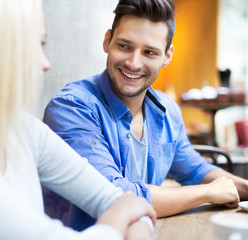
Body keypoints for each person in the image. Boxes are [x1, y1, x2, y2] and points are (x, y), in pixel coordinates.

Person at [43, 0, 248, 229]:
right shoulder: (72, 107)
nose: (133, 62)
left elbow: (194, 170)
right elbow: (113, 195)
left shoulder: (166, 110)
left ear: (167, 56)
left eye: (149, 52)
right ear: (107, 41)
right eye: (124, 46)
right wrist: (207, 193)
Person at [0, 0, 156, 239]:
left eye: (43, 44)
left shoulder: (23, 130)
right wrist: (117, 221)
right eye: (32, 46)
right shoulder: (72, 104)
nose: (46, 63)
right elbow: (123, 202)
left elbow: (129, 205)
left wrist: (130, 220)